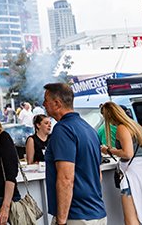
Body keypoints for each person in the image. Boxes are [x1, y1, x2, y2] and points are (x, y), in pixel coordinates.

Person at [43, 83, 106, 225]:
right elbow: (98, 174)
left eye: (46, 100)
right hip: (96, 213)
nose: (43, 104)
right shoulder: (89, 129)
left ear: (57, 104)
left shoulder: (63, 129)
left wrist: (61, 221)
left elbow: (66, 178)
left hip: (76, 215)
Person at [99, 102, 142, 225]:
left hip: (132, 176)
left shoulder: (122, 128)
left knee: (131, 219)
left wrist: (109, 150)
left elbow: (128, 153)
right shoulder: (135, 126)